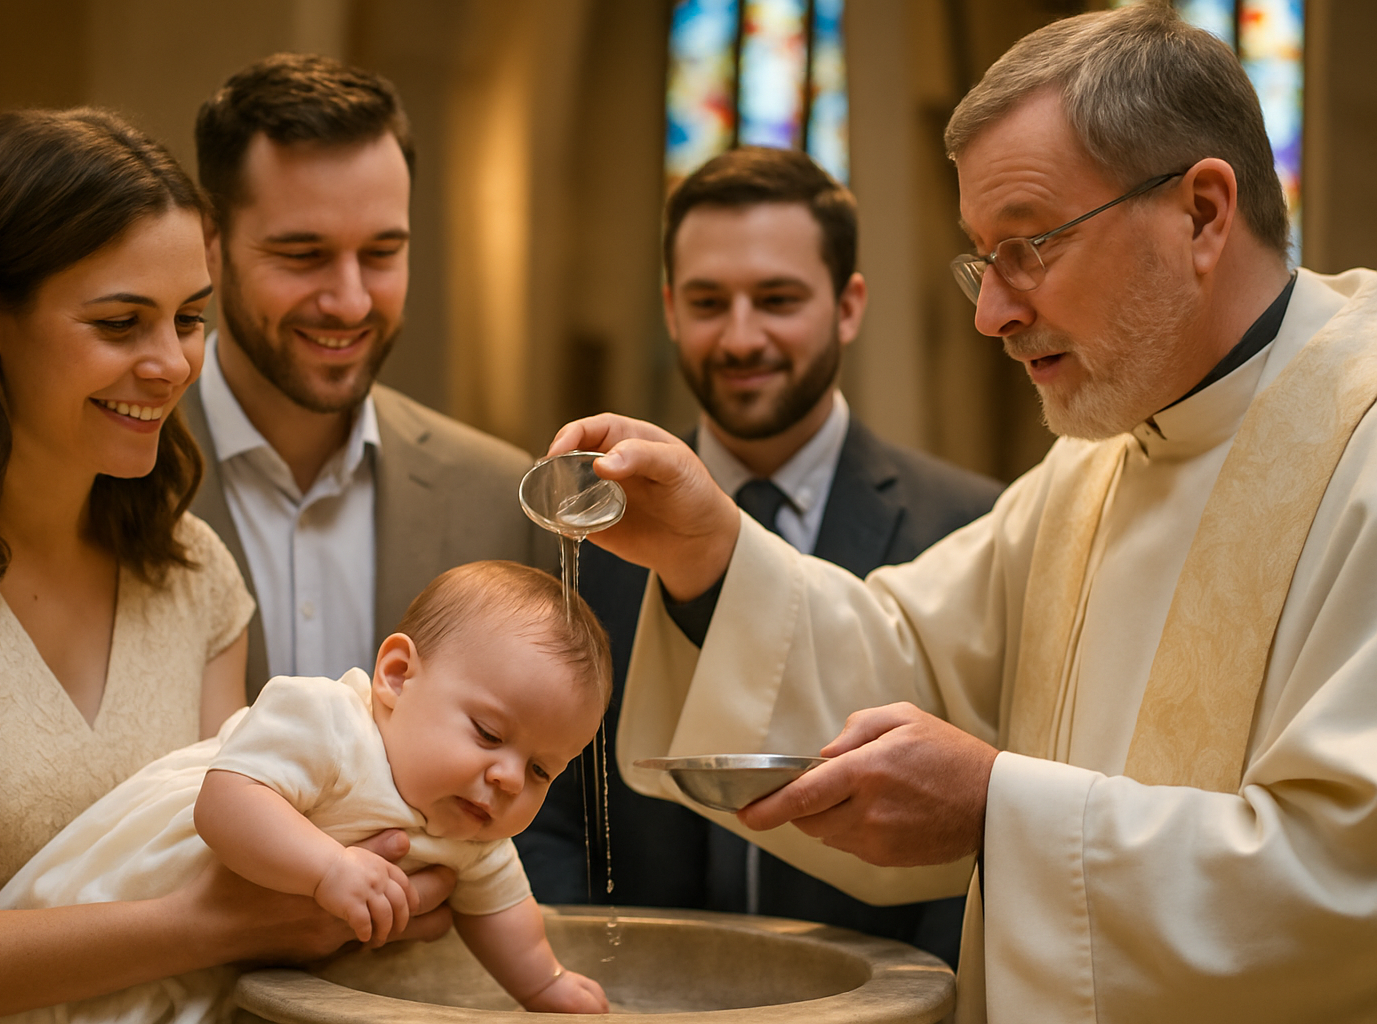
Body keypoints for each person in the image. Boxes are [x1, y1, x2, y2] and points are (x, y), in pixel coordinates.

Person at [547, 5, 1377, 1023]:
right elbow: (907, 662)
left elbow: (1347, 883)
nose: (992, 312)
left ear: (1203, 212)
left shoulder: (1360, 444)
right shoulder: (1099, 463)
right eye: (984, 260)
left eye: (1029, 246)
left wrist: (997, 809)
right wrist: (707, 549)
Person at [0, 108, 451, 1023]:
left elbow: (245, 870)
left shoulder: (196, 576)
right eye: (121, 321)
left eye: (190, 319)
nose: (170, 365)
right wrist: (205, 926)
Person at [518, 146, 1000, 968]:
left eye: (777, 299)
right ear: (670, 309)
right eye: (709, 301)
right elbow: (544, 797)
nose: (741, 337)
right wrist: (580, 976)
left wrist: (912, 1000)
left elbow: (970, 838)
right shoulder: (589, 524)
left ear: (848, 306)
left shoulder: (968, 525)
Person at [0, 561, 613, 1022]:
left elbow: (505, 915)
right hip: (124, 901)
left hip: (206, 975)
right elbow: (226, 803)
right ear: (397, 677)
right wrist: (326, 867)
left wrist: (544, 985)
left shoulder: (475, 829)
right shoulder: (330, 724)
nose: (508, 778)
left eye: (541, 771)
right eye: (488, 732)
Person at [184, 53, 554, 699]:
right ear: (210, 242)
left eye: (382, 253)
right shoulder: (109, 472)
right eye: (304, 255)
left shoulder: (495, 502)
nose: (351, 301)